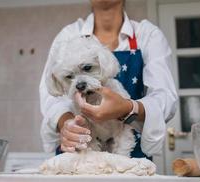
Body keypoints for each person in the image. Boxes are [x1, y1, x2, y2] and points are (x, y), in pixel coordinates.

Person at [39, 0, 178, 159]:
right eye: (70, 76)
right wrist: (70, 124)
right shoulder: (68, 35)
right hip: (79, 152)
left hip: (131, 155)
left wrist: (127, 108)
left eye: (87, 68)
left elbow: (165, 98)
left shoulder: (148, 35)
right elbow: (51, 97)